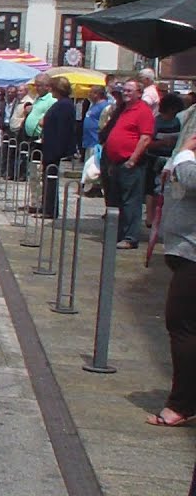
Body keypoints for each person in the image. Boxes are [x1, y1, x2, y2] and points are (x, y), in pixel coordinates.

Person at [149, 132, 196, 427]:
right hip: (185, 249)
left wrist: (185, 153)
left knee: (182, 325)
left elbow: (191, 179)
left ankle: (181, 403)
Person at [102, 80, 155, 250]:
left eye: (129, 90)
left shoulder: (143, 111)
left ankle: (130, 237)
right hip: (116, 163)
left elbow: (145, 138)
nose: (125, 93)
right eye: (124, 90)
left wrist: (132, 159)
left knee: (131, 201)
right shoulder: (123, 109)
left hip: (131, 163)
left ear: (139, 93)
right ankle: (118, 234)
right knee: (116, 200)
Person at [37, 77, 77, 219]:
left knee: (51, 178)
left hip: (54, 148)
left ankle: (50, 210)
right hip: (50, 146)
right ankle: (46, 206)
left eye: (51, 87)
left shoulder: (64, 105)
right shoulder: (61, 103)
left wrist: (57, 151)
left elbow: (62, 129)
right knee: (48, 178)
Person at [146, 93, 185, 228]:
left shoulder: (179, 122)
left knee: (166, 190)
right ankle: (150, 218)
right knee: (152, 190)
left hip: (171, 158)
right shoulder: (156, 122)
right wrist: (162, 143)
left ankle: (161, 217)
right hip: (154, 158)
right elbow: (148, 142)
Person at [82, 85, 109, 153]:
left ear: (98, 94)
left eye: (91, 92)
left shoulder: (105, 106)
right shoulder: (93, 105)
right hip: (89, 142)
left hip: (96, 143)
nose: (89, 94)